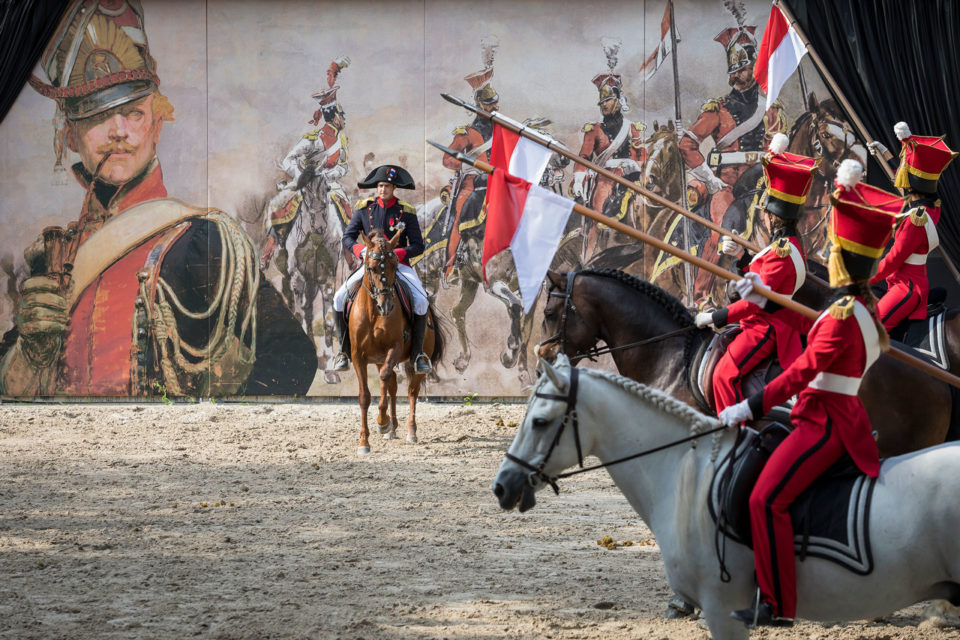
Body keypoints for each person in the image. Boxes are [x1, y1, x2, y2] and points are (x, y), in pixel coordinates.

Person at [2, 0, 316, 397]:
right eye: (97, 116)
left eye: (133, 113)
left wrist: (211, 436)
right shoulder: (57, 256)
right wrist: (30, 356)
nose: (118, 131)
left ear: (156, 126)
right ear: (70, 137)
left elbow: (293, 356)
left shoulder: (201, 240)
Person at [718, 159, 901, 627]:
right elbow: (805, 320)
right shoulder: (857, 307)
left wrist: (749, 404)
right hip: (824, 413)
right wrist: (761, 289)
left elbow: (801, 371)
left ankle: (778, 605)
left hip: (825, 422)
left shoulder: (844, 315)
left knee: (765, 500)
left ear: (839, 260)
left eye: (834, 249)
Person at [695, 133, 819, 413]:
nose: (762, 215)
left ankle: (735, 433)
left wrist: (715, 316)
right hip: (761, 319)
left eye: (765, 212)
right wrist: (741, 256)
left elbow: (756, 300)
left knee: (723, 375)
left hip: (766, 326)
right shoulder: (787, 246)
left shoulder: (782, 251)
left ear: (774, 217)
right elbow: (763, 277)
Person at [679, 24, 786, 307]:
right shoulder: (718, 109)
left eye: (744, 68)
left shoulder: (770, 107)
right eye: (734, 70)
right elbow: (686, 145)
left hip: (761, 181)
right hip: (725, 184)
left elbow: (776, 146)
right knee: (721, 233)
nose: (739, 75)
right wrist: (710, 180)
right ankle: (701, 298)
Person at [332, 165, 431, 374]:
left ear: (394, 188)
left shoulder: (406, 212)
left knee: (422, 301)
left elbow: (418, 245)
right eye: (379, 186)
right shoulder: (364, 209)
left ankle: (417, 355)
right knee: (339, 298)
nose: (382, 190)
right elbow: (348, 237)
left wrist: (399, 254)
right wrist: (361, 252)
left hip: (398, 266)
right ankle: (343, 352)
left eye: (386, 186)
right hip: (371, 266)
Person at [867, 123, 956, 336]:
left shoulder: (915, 221)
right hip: (900, 282)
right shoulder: (931, 207)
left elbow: (895, 258)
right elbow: (905, 173)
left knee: (870, 332)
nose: (900, 178)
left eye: (905, 178)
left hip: (905, 288)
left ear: (910, 185)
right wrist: (887, 153)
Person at [570, 63, 646, 259]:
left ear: (618, 101)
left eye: (608, 100)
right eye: (601, 101)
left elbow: (641, 154)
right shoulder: (594, 129)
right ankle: (590, 253)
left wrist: (637, 166)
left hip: (631, 177)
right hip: (605, 178)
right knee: (599, 211)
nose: (603, 105)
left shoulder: (632, 128)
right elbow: (584, 157)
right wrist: (579, 178)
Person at [441, 61, 498, 279]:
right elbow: (447, 159)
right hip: (471, 183)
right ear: (480, 106)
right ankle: (451, 266)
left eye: (495, 103)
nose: (495, 108)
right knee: (459, 217)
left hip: (496, 182)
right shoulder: (466, 133)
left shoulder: (503, 129)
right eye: (489, 104)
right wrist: (468, 164)